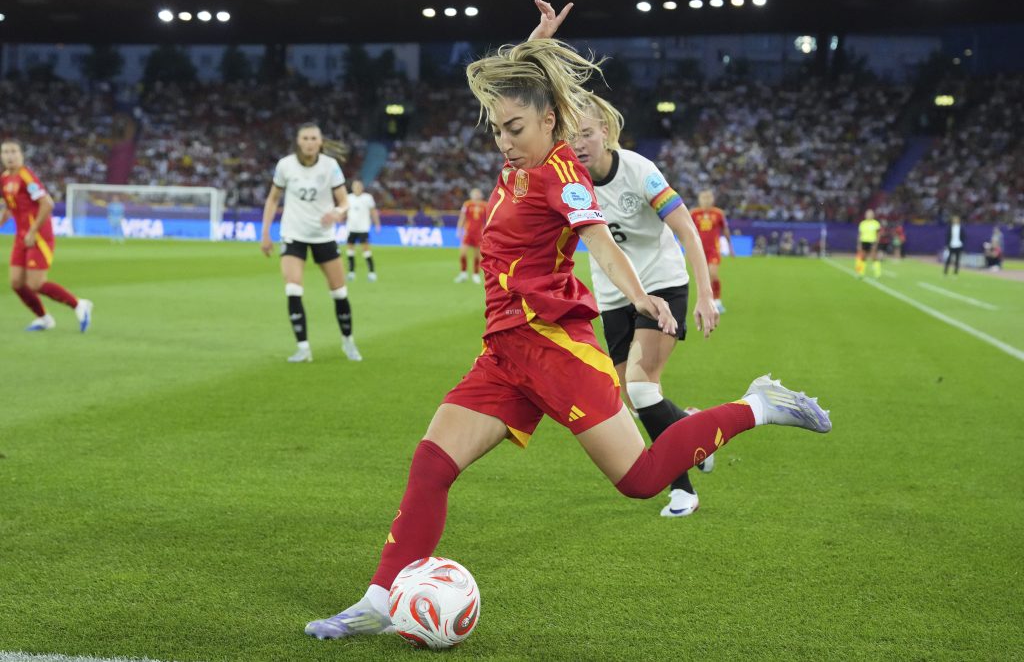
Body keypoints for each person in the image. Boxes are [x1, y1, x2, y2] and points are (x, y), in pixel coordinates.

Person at [304, 32, 831, 641]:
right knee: (431, 463)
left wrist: (639, 298)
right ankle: (377, 599)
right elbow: (520, 96)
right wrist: (532, 49)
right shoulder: (520, 155)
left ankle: (757, 405)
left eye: (516, 128)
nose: (504, 141)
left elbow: (601, 244)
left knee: (638, 480)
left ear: (548, 121)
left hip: (553, 345)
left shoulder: (562, 175)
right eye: (498, 129)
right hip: (504, 351)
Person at [568, 90, 720, 517]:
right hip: (615, 295)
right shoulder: (570, 183)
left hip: (663, 287)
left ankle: (683, 489)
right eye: (571, 136)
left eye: (586, 134)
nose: (579, 144)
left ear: (606, 132)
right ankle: (693, 430)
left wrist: (706, 296)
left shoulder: (638, 170)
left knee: (640, 384)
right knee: (634, 400)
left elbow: (688, 230)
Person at [260, 123, 361, 363]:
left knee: (339, 292)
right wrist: (265, 233)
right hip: (293, 234)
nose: (309, 142)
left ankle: (348, 341)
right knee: (293, 288)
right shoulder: (285, 165)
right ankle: (303, 347)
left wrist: (338, 212)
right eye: (304, 138)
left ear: (320, 142)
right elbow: (273, 200)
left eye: (313, 138)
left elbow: (345, 202)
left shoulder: (330, 166)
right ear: (298, 141)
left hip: (323, 236)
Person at [1, 138, 92, 332]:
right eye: (6, 152)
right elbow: (9, 208)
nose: (9, 156)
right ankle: (44, 318)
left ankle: (78, 304)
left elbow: (47, 204)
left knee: (35, 284)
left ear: (21, 155)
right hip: (22, 236)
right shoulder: (4, 179)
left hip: (38, 235)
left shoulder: (27, 176)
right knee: (17, 282)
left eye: (13, 152)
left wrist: (33, 231)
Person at [689, 190, 733, 312]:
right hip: (698, 250)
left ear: (712, 200)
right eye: (703, 199)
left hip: (713, 250)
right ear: (699, 200)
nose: (706, 201)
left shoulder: (718, 213)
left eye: (708, 199)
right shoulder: (694, 213)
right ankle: (705, 301)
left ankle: (717, 301)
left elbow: (725, 230)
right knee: (702, 278)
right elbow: (687, 230)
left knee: (713, 274)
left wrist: (730, 246)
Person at [345, 180, 380, 282]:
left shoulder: (367, 198)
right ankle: (351, 273)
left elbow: (373, 212)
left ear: (362, 187)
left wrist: (377, 224)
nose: (357, 188)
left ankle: (371, 272)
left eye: (359, 186)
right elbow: (345, 212)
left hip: (363, 228)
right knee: (350, 251)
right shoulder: (348, 198)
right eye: (355, 186)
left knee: (366, 251)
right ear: (352, 188)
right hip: (351, 228)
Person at [454, 188, 487, 284]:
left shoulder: (485, 205)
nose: (476, 195)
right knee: (463, 254)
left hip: (479, 233)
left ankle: (475, 274)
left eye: (478, 193)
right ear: (471, 195)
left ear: (480, 195)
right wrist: (459, 229)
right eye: (474, 193)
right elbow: (462, 217)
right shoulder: (467, 204)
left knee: (477, 255)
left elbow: (488, 219)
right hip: (468, 232)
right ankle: (463, 273)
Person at [856, 209, 882, 279]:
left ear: (873, 215)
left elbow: (878, 234)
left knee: (874, 257)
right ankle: (861, 273)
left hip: (872, 241)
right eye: (867, 214)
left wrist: (876, 243)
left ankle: (877, 273)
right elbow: (860, 234)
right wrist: (859, 243)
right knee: (863, 257)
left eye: (870, 214)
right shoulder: (862, 223)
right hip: (864, 241)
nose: (868, 215)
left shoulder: (875, 223)